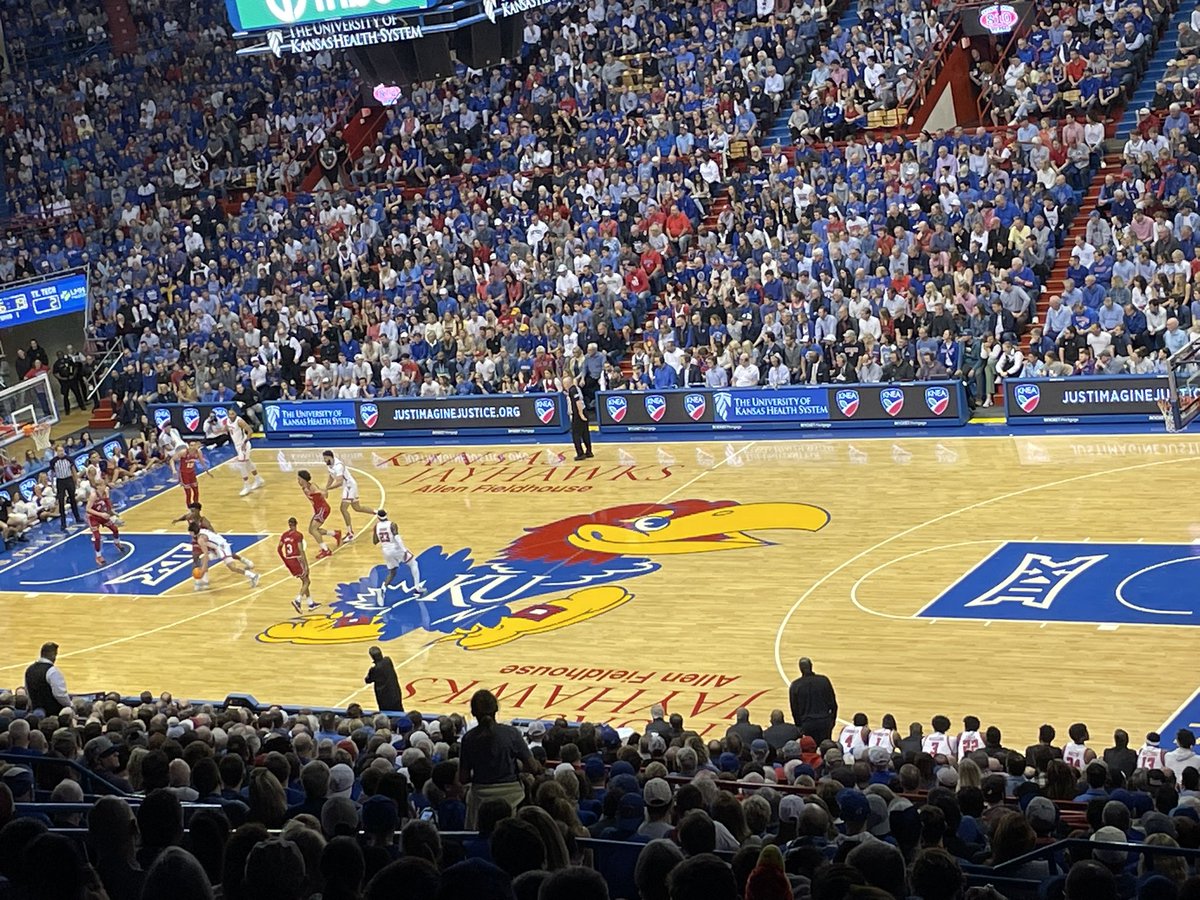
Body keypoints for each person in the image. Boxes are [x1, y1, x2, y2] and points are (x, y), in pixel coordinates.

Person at [458, 688, 542, 829]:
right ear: (496, 709)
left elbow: (463, 778)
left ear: (473, 713)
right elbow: (533, 767)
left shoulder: (468, 739)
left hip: (480, 799)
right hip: (513, 798)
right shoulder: (511, 733)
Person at [189, 521, 259, 592]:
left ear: (192, 532)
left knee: (232, 567)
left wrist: (203, 570)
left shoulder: (200, 540)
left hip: (222, 547)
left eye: (190, 532)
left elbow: (206, 553)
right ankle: (204, 582)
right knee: (203, 559)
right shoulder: (202, 531)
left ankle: (253, 576)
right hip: (217, 547)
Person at [372, 509, 423, 597]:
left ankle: (383, 588)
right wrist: (404, 550)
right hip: (397, 549)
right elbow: (397, 538)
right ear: (386, 515)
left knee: (392, 572)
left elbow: (375, 541)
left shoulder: (376, 526)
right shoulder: (392, 525)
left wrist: (376, 533)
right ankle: (417, 588)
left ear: (378, 517)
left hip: (386, 551)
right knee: (414, 564)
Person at [323, 450, 374, 537]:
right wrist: (326, 488)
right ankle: (379, 513)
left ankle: (350, 533)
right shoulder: (330, 464)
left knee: (343, 508)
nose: (324, 460)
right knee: (357, 508)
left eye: (325, 458)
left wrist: (328, 488)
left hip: (349, 486)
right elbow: (331, 476)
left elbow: (339, 482)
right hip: (349, 486)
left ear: (330, 457)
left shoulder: (338, 466)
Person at [788, 656, 837, 742]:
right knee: (826, 746)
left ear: (800, 669)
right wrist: (832, 720)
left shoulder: (795, 685)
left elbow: (794, 709)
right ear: (811, 666)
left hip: (807, 723)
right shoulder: (824, 681)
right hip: (824, 721)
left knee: (810, 748)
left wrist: (799, 726)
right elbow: (833, 704)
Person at [298, 469, 341, 558]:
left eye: (299, 479)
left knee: (313, 530)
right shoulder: (304, 488)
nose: (298, 481)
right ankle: (335, 533)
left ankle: (326, 550)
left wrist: (323, 492)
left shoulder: (312, 486)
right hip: (318, 510)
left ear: (304, 479)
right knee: (312, 530)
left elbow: (321, 492)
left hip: (323, 509)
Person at [277, 517, 315, 613]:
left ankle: (310, 603)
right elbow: (301, 550)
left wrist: (285, 559)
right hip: (297, 559)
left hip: (289, 561)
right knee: (307, 582)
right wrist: (306, 565)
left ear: (289, 524)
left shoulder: (284, 535)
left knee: (304, 580)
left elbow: (279, 548)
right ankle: (297, 600)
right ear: (296, 524)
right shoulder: (298, 535)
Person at [86, 480, 127, 565]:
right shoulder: (93, 495)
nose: (105, 486)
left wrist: (112, 512)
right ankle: (98, 556)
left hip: (103, 516)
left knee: (115, 529)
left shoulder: (105, 492)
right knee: (97, 537)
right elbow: (88, 509)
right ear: (98, 487)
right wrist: (100, 514)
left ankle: (117, 543)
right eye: (103, 485)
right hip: (94, 517)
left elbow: (107, 503)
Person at [24, 641, 71, 714]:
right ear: (53, 655)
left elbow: (27, 690)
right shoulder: (52, 671)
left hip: (35, 711)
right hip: (52, 713)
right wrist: (70, 705)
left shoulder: (29, 669)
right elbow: (60, 694)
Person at [226, 413, 264, 496]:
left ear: (236, 414)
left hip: (244, 445)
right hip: (237, 445)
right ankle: (258, 479)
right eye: (230, 414)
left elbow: (250, 431)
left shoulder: (239, 421)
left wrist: (245, 442)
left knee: (241, 465)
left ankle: (247, 486)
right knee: (248, 463)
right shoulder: (227, 421)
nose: (231, 415)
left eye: (233, 414)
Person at [51, 443, 82, 531]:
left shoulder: (69, 459)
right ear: (56, 452)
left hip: (69, 479)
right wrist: (53, 485)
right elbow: (52, 473)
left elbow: (73, 470)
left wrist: (76, 480)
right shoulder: (53, 461)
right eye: (59, 451)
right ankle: (63, 523)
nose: (61, 452)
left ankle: (77, 517)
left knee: (72, 499)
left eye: (62, 451)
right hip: (60, 481)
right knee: (61, 501)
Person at [364, 646, 403, 712]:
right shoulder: (388, 660)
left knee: (386, 714)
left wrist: (372, 669)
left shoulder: (375, 669)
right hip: (395, 693)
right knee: (399, 711)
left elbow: (368, 680)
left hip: (384, 698)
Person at [563, 374, 592, 461]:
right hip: (581, 413)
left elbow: (578, 402)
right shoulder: (573, 390)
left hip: (578, 415)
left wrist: (580, 414)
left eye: (564, 384)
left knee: (576, 434)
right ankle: (589, 451)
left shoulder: (573, 390)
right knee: (585, 433)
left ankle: (580, 453)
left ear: (567, 384)